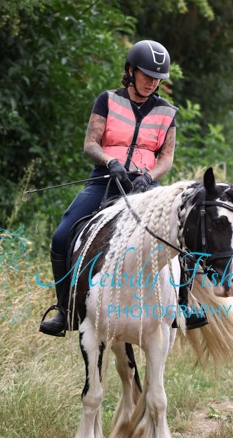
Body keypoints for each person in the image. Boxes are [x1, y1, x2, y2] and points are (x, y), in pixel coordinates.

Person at [39, 39, 178, 336]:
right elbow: (91, 143)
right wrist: (110, 161)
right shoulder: (108, 100)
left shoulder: (167, 111)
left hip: (145, 187)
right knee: (62, 235)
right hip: (106, 181)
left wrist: (149, 176)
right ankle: (65, 310)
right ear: (130, 71)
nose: (152, 83)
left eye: (158, 78)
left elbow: (167, 158)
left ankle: (184, 305)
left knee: (182, 231)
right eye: (147, 75)